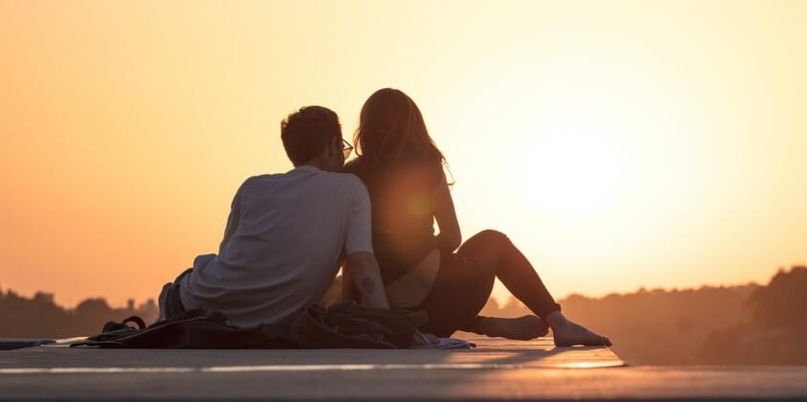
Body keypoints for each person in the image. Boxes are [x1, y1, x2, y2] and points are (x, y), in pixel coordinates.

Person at [344, 88, 611, 346]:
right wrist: (422, 255)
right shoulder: (426, 164)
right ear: (413, 126)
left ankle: (484, 325)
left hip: (381, 309)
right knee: (494, 241)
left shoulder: (351, 174)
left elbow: (349, 253)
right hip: (437, 303)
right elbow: (452, 237)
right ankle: (559, 324)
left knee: (422, 283)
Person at [157, 106, 389, 328]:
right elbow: (362, 262)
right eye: (343, 149)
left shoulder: (252, 187)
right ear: (333, 145)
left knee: (188, 280)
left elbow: (230, 256)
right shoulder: (351, 189)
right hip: (258, 320)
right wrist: (388, 324)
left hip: (199, 305)